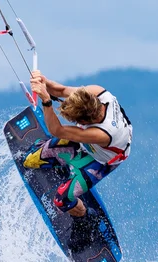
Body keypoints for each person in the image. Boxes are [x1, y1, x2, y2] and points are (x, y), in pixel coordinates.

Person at [25, 70, 133, 250]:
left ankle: (86, 220)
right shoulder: (96, 93)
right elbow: (61, 90)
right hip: (87, 144)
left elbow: (58, 131)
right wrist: (44, 82)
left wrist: (46, 101)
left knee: (61, 199)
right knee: (31, 160)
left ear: (84, 121)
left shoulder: (102, 133)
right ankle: (62, 161)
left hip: (102, 160)